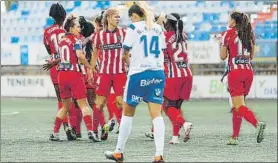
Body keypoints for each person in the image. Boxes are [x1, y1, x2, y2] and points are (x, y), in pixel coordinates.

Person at [104, 2, 166, 162]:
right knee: (157, 115)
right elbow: (162, 51)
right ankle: (159, 154)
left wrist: (128, 59)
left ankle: (119, 151)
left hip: (139, 74)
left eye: (131, 17)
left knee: (128, 113)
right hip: (158, 73)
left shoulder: (133, 28)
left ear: (134, 16)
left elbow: (125, 52)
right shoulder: (159, 28)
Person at [220, 11, 266, 145]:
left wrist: (224, 46)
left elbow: (223, 56)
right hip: (248, 72)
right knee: (238, 105)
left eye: (229, 19)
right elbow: (251, 55)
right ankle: (234, 137)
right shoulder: (249, 34)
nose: (228, 21)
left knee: (239, 105)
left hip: (235, 73)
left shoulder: (228, 33)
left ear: (233, 21)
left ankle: (257, 124)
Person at [49, 14, 95, 141]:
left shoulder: (62, 40)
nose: (80, 29)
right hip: (74, 74)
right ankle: (91, 132)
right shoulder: (77, 41)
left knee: (65, 106)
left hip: (62, 75)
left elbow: (62, 57)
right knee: (83, 104)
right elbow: (79, 55)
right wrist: (89, 66)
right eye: (77, 27)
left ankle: (55, 133)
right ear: (71, 28)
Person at [91, 8, 126, 141]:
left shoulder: (124, 33)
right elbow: (95, 53)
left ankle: (122, 130)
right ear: (108, 18)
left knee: (120, 102)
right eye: (115, 17)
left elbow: (128, 51)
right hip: (104, 73)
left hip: (119, 73)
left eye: (118, 17)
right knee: (99, 103)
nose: (118, 19)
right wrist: (91, 68)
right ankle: (94, 130)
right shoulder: (99, 35)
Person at [42, 3, 74, 140]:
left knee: (60, 98)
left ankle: (66, 126)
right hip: (67, 65)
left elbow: (49, 49)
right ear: (64, 15)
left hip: (54, 66)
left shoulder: (47, 31)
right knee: (71, 99)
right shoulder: (67, 30)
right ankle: (70, 127)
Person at [162, 13, 193, 144]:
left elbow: (164, 58)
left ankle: (184, 123)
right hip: (187, 74)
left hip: (174, 76)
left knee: (167, 106)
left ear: (168, 23)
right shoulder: (184, 35)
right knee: (177, 107)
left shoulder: (165, 37)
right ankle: (175, 137)